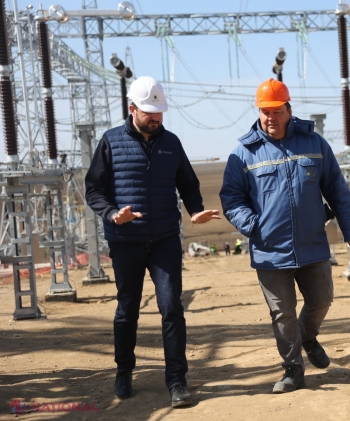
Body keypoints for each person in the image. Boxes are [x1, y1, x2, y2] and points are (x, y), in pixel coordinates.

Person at [219, 78, 350, 393]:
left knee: (322, 300)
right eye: (265, 111)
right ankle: (293, 370)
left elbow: (337, 189)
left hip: (312, 244)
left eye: (276, 111)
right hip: (270, 250)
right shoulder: (244, 154)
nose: (270, 117)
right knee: (282, 313)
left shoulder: (315, 144)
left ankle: (307, 336)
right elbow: (231, 199)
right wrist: (254, 226)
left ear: (288, 109)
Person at [85, 76, 221, 408]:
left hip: (164, 240)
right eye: (149, 112)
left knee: (172, 307)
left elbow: (188, 184)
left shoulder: (171, 143)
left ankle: (177, 381)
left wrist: (196, 211)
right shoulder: (110, 141)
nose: (156, 118)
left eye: (159, 112)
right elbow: (94, 189)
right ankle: (124, 372)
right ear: (132, 109)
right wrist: (113, 214)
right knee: (127, 309)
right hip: (125, 241)